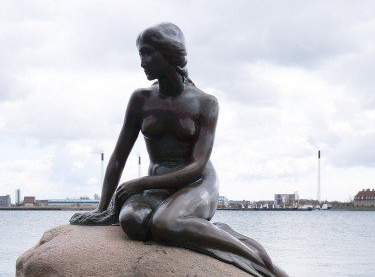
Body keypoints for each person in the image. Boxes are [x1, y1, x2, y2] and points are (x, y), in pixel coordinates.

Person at [70, 22, 286, 277]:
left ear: (170, 54)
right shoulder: (141, 99)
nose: (142, 62)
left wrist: (141, 183)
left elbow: (197, 165)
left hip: (197, 183)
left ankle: (258, 261)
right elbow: (118, 157)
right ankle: (204, 229)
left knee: (166, 223)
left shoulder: (205, 103)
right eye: (140, 54)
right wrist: (102, 208)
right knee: (132, 222)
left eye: (148, 53)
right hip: (158, 188)